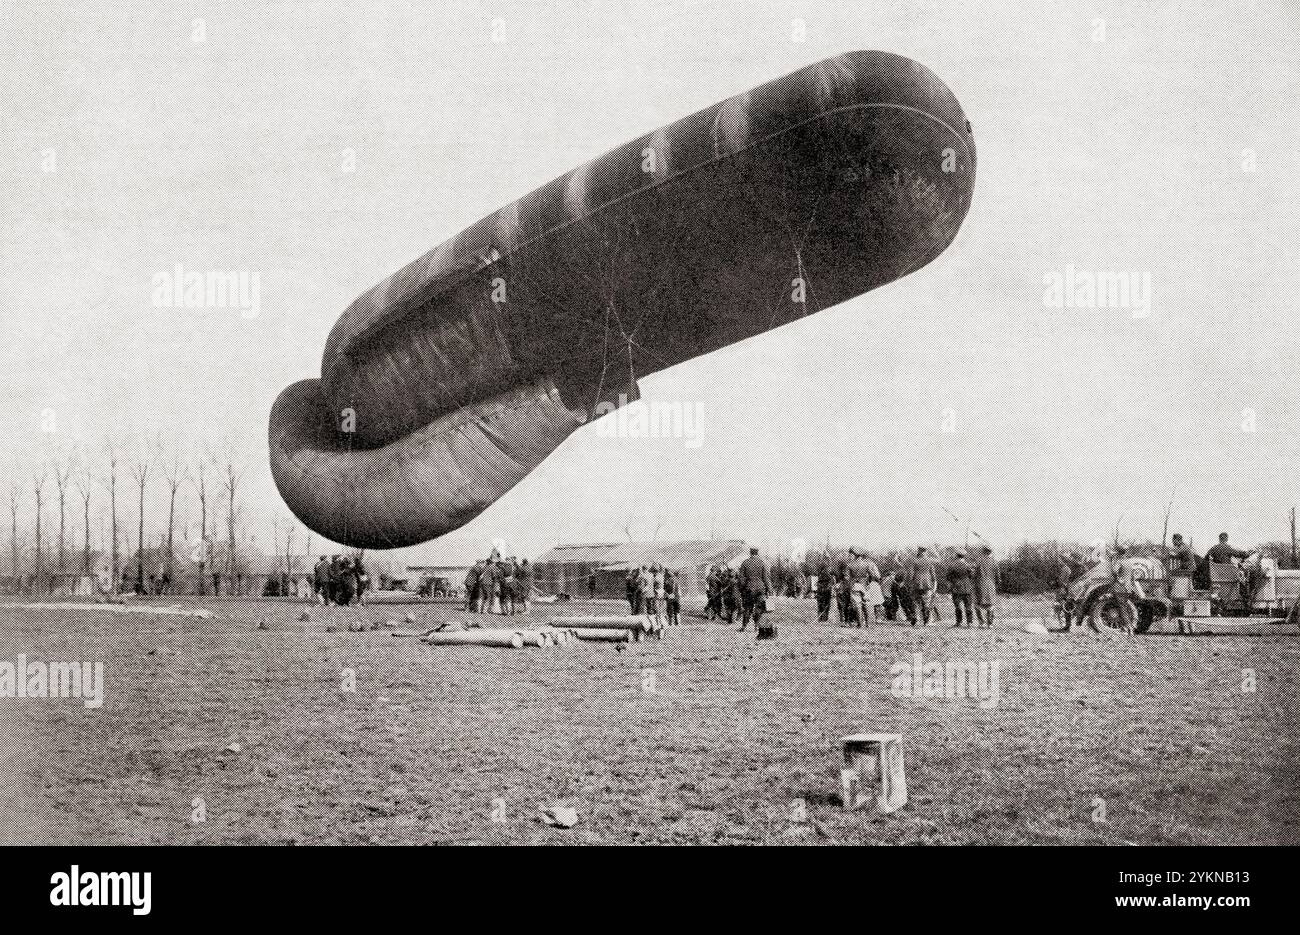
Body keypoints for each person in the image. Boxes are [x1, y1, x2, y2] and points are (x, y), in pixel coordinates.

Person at [737, 546, 773, 632]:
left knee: (747, 607)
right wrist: (770, 589)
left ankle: (744, 626)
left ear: (750, 553)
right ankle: (756, 626)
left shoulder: (745, 563)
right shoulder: (762, 563)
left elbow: (741, 579)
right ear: (757, 553)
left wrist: (742, 588)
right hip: (761, 589)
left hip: (749, 589)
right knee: (759, 608)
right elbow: (766, 578)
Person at [1110, 546, 1144, 634]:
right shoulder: (1129, 562)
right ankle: (1128, 628)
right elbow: (1132, 576)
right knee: (1124, 607)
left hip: (1119, 587)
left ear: (1118, 553)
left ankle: (1128, 628)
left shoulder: (1119, 561)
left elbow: (1114, 571)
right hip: (1127, 588)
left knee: (1122, 608)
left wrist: (1113, 561)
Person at [908, 547, 938, 626]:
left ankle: (916, 617)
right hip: (927, 584)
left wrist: (910, 584)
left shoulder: (914, 561)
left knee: (915, 602)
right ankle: (927, 621)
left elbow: (911, 575)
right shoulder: (930, 561)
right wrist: (934, 585)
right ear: (926, 552)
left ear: (919, 551)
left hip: (916, 584)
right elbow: (933, 575)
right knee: (926, 603)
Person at [947, 550, 975, 628]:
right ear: (964, 556)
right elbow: (972, 576)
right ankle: (970, 622)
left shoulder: (952, 565)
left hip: (956, 588)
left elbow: (948, 577)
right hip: (967, 588)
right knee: (968, 606)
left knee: (957, 606)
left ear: (957, 556)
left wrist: (954, 581)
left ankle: (959, 622)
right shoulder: (968, 565)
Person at [973, 545, 999, 628]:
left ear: (983, 552)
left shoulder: (978, 561)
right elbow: (998, 576)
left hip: (980, 585)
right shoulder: (995, 562)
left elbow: (974, 575)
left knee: (977, 604)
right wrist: (996, 584)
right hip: (991, 585)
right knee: (991, 605)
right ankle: (990, 623)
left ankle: (981, 622)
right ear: (990, 552)